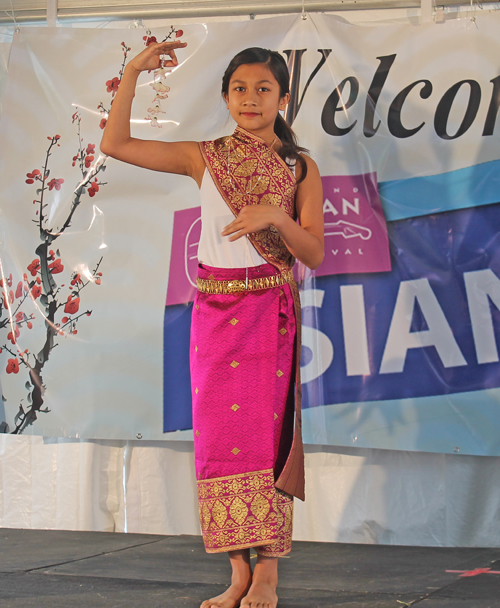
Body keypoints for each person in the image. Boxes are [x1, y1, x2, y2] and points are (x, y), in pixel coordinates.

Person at [101, 39, 324, 608]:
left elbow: (315, 254)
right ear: (226, 97)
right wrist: (131, 73)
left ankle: (268, 574)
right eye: (239, 89)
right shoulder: (204, 155)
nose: (250, 99)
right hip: (214, 315)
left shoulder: (299, 167)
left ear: (283, 97)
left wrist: (276, 214)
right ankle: (237, 575)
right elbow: (115, 143)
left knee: (263, 442)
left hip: (267, 312)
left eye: (263, 89)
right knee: (221, 443)